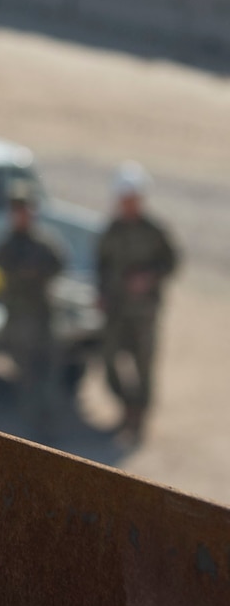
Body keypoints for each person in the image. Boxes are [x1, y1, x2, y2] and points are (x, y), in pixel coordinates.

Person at [97, 161, 180, 445]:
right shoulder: (111, 230)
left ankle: (138, 419)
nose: (128, 204)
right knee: (109, 362)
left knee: (144, 367)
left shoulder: (154, 231)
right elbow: (101, 265)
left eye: (132, 199)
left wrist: (149, 277)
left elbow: (171, 263)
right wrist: (103, 294)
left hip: (144, 312)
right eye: (124, 199)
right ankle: (126, 408)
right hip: (117, 311)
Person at [0, 180, 69, 442]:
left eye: (24, 209)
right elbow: (4, 274)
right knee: (27, 379)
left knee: (49, 378)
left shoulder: (44, 243)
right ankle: (32, 432)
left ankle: (49, 430)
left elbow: (59, 264)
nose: (21, 215)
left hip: (43, 322)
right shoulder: (6, 247)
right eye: (16, 210)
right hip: (19, 325)